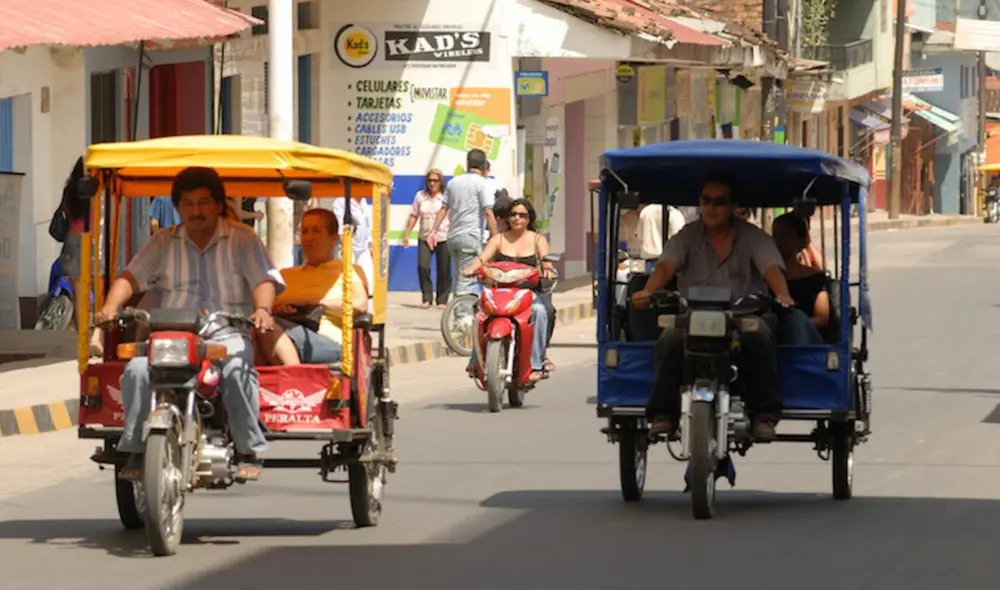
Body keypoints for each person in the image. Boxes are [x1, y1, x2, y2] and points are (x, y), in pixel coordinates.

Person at [94, 167, 284, 483]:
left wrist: (263, 309)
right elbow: (130, 277)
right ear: (178, 207)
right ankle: (136, 450)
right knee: (137, 371)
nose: (196, 211)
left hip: (227, 332)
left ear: (219, 204)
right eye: (188, 203)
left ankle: (248, 449)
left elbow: (263, 279)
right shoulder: (163, 242)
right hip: (172, 335)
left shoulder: (242, 239)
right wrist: (110, 308)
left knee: (237, 370)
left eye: (204, 202)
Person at [632, 172, 794, 440]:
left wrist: (782, 293)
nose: (712, 208)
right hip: (693, 316)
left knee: (760, 336)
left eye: (719, 202)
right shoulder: (688, 236)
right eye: (706, 201)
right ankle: (663, 414)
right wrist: (648, 291)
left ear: (733, 206)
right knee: (669, 339)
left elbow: (770, 266)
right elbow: (666, 265)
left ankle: (764, 415)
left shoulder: (752, 237)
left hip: (742, 315)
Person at [256, 209, 370, 365]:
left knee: (266, 328)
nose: (309, 237)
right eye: (304, 231)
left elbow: (360, 304)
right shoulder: (285, 274)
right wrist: (278, 308)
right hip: (283, 329)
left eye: (316, 231)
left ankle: (296, 379)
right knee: (254, 328)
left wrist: (316, 304)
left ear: (333, 238)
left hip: (328, 339)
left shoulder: (349, 271)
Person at [462, 199, 554, 381]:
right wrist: (471, 269)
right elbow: (482, 258)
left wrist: (549, 270)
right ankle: (476, 359)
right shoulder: (498, 239)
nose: (517, 218)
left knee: (541, 311)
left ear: (529, 219)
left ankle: (536, 362)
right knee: (480, 312)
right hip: (499, 291)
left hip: (527, 292)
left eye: (522, 215)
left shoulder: (538, 239)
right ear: (507, 218)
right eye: (513, 214)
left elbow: (546, 261)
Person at [427, 148, 498, 296]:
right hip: (471, 236)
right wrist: (496, 236)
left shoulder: (453, 182)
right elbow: (488, 212)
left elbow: (443, 209)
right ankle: (461, 316)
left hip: (453, 237)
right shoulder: (483, 184)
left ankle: (466, 310)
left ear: (467, 163)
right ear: (484, 164)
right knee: (466, 280)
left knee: (463, 276)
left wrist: (433, 231)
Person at [771, 213, 829, 345]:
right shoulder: (767, 277)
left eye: (785, 235)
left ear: (799, 240)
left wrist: (794, 324)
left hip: (809, 339)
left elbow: (822, 317)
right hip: (775, 337)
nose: (778, 240)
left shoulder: (815, 277)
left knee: (795, 318)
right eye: (775, 235)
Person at [402, 169, 451, 308]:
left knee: (444, 269)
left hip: (443, 236)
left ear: (440, 182)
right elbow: (414, 215)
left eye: (435, 180)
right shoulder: (420, 196)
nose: (432, 183)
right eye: (430, 180)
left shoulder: (445, 196)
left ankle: (442, 300)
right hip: (424, 236)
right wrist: (407, 234)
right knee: (423, 266)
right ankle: (427, 297)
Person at [333, 197, 375, 297]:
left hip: (363, 249)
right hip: (348, 247)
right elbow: (340, 228)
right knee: (346, 281)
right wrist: (345, 248)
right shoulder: (340, 202)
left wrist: (370, 245)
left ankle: (367, 307)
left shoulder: (364, 202)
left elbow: (367, 225)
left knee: (368, 281)